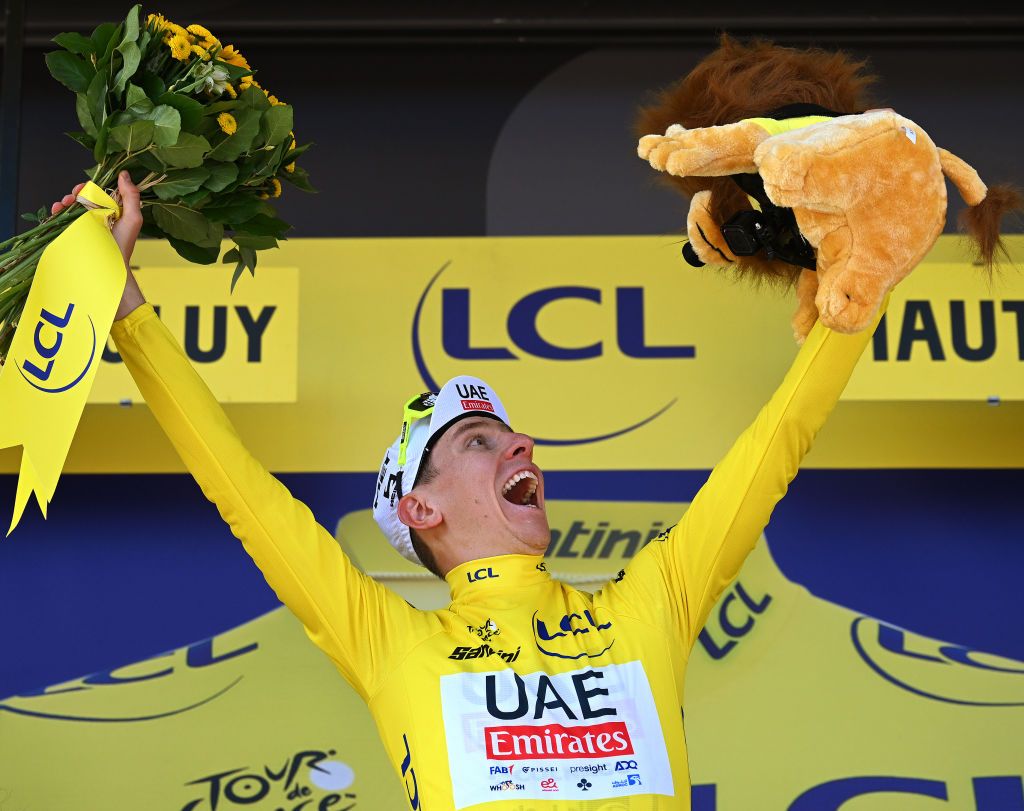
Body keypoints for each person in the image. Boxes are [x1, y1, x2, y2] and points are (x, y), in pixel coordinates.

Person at [55, 172, 882, 810]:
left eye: (512, 434)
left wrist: (861, 280)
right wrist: (125, 309)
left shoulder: (648, 604)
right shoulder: (391, 642)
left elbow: (774, 444)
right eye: (480, 442)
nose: (521, 442)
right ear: (421, 508)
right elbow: (238, 486)